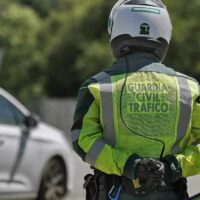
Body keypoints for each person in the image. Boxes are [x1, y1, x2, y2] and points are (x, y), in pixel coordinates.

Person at [71, 0, 200, 199]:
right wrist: (172, 166)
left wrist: (130, 165)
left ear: (115, 31)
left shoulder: (97, 86)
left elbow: (83, 141)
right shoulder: (189, 88)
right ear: (166, 34)